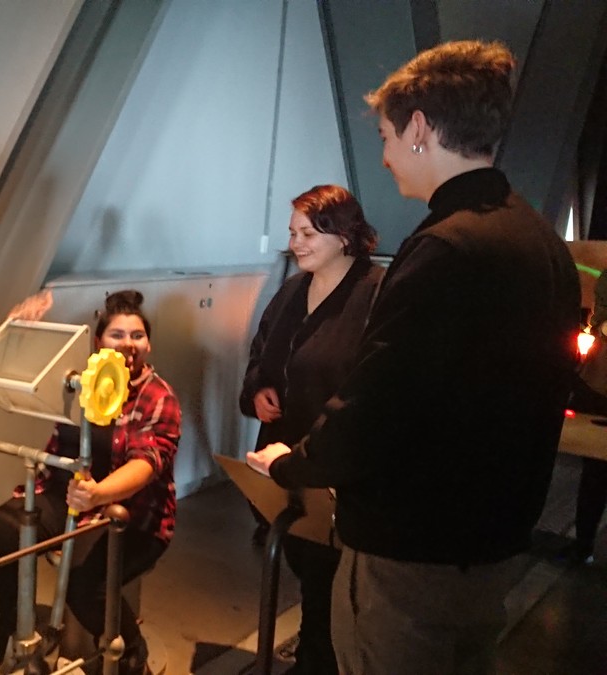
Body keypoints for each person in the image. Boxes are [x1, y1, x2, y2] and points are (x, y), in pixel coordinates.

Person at [246, 40, 580, 675]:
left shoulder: (445, 248)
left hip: (413, 552)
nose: (384, 156)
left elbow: (379, 403)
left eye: (386, 135)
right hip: (494, 542)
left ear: (420, 128)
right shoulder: (540, 241)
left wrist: (294, 464)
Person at [0, 290, 181, 675]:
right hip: (65, 494)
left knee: (84, 583)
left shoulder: (157, 396)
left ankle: (131, 652)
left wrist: (99, 493)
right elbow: (21, 374)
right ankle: (10, 620)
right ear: (98, 341)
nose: (128, 344)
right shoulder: (78, 380)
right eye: (117, 334)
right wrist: (18, 330)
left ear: (148, 344)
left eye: (137, 335)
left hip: (130, 513)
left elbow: (148, 462)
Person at [240, 185, 382, 675]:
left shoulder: (375, 293)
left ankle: (321, 660)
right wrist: (259, 388)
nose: (296, 244)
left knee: (331, 574)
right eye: (292, 233)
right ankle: (316, 651)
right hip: (287, 452)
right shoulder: (292, 291)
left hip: (335, 459)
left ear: (344, 235)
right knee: (307, 564)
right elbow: (262, 351)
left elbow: (373, 382)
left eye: (308, 233)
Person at [561, 270, 607, 564]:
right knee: (595, 472)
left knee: (595, 473)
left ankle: (583, 545)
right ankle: (583, 544)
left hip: (596, 384)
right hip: (596, 385)